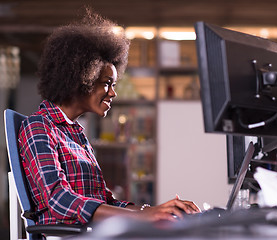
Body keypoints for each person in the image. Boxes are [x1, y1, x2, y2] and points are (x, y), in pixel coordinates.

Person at [18, 9, 200, 226]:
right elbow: (59, 199)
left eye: (113, 85)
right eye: (106, 83)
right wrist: (143, 216)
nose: (113, 93)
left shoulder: (76, 134)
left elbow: (103, 200)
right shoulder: (39, 127)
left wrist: (154, 210)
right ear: (79, 78)